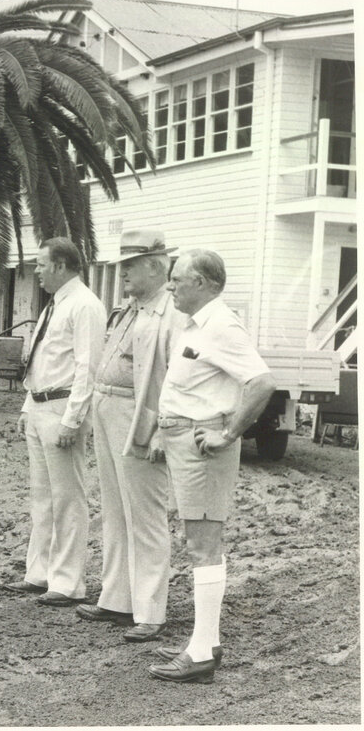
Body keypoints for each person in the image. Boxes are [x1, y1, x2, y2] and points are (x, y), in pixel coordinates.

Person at [147, 249, 276, 683]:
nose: (170, 286)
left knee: (203, 546)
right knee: (198, 543)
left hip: (205, 448)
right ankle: (205, 641)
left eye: (177, 279)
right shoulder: (195, 324)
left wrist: (229, 433)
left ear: (202, 282)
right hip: (186, 443)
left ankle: (201, 653)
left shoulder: (222, 326)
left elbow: (261, 383)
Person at [75, 229, 185, 642]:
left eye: (131, 266)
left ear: (156, 266)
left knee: (145, 515)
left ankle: (151, 611)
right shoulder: (129, 310)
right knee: (115, 509)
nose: (123, 273)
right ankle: (117, 597)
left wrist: (160, 428)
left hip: (139, 416)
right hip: (108, 409)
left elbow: (176, 378)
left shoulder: (172, 314)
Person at [4, 237, 106, 606]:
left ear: (61, 265)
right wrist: (26, 407)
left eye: (42, 265)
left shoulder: (85, 306)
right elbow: (43, 360)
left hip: (63, 409)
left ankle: (67, 582)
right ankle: (40, 573)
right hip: (40, 407)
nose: (37, 272)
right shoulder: (54, 306)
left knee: (67, 499)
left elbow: (87, 367)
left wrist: (73, 418)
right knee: (42, 498)